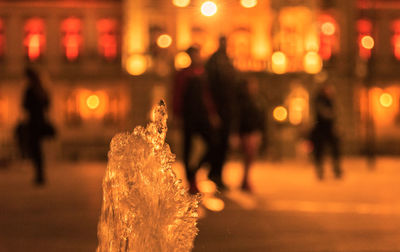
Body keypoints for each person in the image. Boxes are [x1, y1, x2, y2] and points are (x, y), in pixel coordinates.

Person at [173, 46, 220, 194]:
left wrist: (212, 114)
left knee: (213, 143)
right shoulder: (183, 74)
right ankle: (191, 180)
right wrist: (176, 114)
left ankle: (195, 171)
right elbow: (177, 94)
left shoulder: (202, 73)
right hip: (188, 116)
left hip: (202, 116)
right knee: (188, 148)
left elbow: (207, 97)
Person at [205, 36, 239, 190]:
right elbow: (209, 88)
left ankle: (216, 173)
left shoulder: (225, 61)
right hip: (219, 109)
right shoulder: (215, 62)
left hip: (227, 109)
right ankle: (213, 172)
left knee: (222, 145)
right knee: (215, 144)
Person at [21, 67, 54, 185]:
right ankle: (40, 174)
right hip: (41, 122)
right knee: (38, 149)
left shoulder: (30, 90)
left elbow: (24, 105)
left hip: (33, 123)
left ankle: (39, 174)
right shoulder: (41, 89)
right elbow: (47, 104)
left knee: (35, 149)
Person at [237, 77, 267, 192]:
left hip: (255, 131)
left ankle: (246, 179)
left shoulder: (259, 100)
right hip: (246, 131)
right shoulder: (242, 101)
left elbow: (262, 118)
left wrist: (262, 132)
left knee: (251, 157)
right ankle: (245, 180)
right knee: (247, 155)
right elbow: (239, 117)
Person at [310, 84, 342, 180]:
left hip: (330, 129)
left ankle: (336, 168)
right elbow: (323, 113)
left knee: (335, 149)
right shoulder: (319, 101)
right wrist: (329, 114)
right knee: (319, 151)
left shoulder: (331, 101)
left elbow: (336, 113)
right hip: (320, 129)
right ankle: (320, 170)